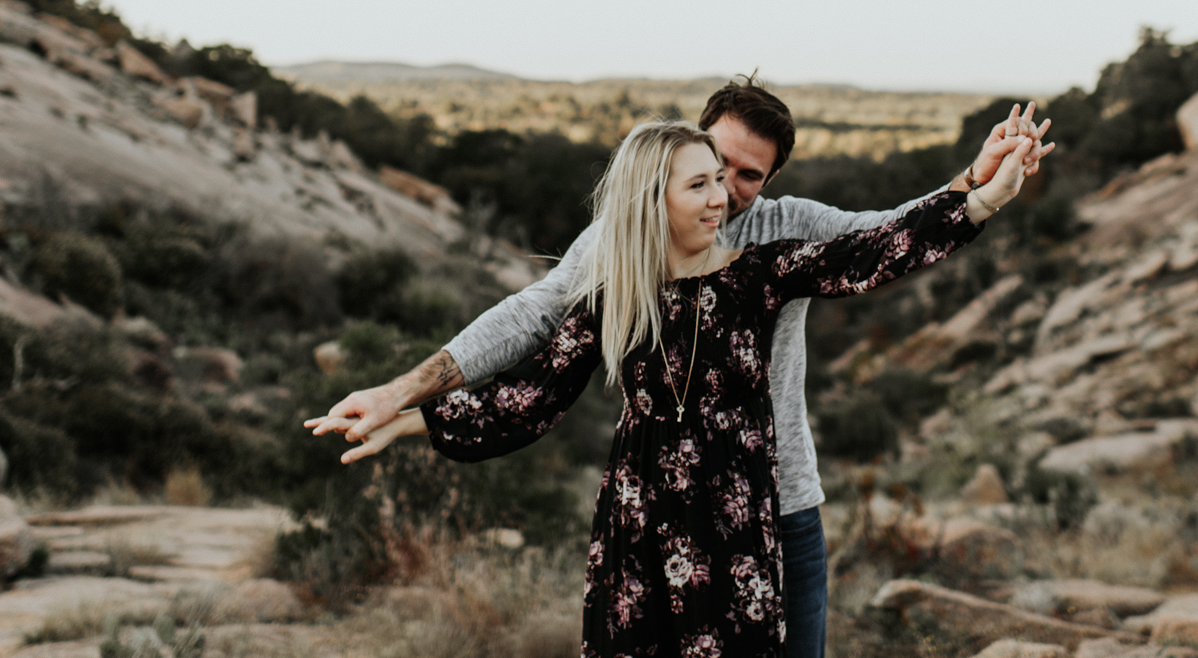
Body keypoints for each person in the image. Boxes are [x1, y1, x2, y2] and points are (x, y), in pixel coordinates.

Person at [308, 81, 1048, 657]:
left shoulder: (767, 265)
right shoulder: (617, 282)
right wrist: (403, 408)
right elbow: (530, 388)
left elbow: (878, 244)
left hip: (758, 529)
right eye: (704, 173)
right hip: (642, 541)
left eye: (740, 177)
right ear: (661, 181)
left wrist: (976, 192)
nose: (723, 191)